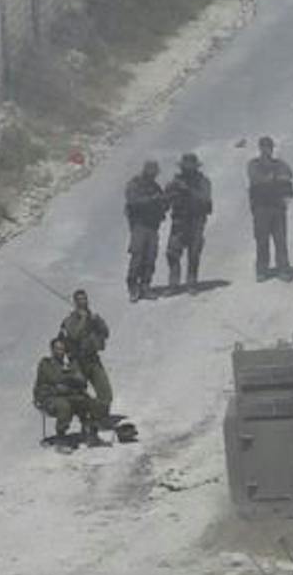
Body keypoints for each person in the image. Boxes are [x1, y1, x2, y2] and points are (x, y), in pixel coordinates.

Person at [33, 337, 103, 444]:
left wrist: (74, 377)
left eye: (62, 349)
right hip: (49, 396)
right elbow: (53, 379)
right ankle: (61, 434)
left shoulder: (70, 364)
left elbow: (82, 381)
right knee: (64, 406)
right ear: (52, 350)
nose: (60, 352)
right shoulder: (46, 364)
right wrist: (68, 378)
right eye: (57, 349)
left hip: (69, 395)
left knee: (90, 402)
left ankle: (89, 431)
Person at [246, 135, 293, 280]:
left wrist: (273, 179)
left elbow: (288, 175)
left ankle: (283, 268)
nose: (267, 150)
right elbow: (256, 179)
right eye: (264, 147)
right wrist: (275, 179)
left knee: (280, 239)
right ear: (260, 148)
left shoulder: (279, 164)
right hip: (261, 207)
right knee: (262, 240)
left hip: (277, 206)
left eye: (269, 147)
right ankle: (262, 269)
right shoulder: (254, 164)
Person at [58, 288, 112, 422]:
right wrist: (82, 319)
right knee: (80, 395)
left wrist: (97, 321)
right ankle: (86, 421)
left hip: (93, 360)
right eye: (80, 300)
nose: (83, 302)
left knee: (105, 392)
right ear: (75, 302)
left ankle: (101, 417)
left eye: (85, 299)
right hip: (77, 362)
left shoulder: (92, 317)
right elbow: (74, 335)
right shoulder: (69, 320)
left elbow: (106, 333)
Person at [165, 152, 213, 290]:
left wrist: (188, 190)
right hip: (179, 220)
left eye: (190, 165)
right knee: (172, 252)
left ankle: (191, 282)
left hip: (196, 220)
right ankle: (174, 283)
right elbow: (167, 200)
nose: (187, 168)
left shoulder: (203, 181)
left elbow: (205, 198)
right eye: (185, 165)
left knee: (194, 252)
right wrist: (171, 190)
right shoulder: (176, 181)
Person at [123, 159, 168, 301]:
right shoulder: (134, 185)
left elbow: (163, 205)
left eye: (154, 174)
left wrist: (163, 202)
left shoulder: (155, 187)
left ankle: (145, 285)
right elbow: (133, 202)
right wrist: (151, 200)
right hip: (139, 226)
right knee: (137, 256)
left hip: (152, 226)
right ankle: (133, 286)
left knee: (150, 257)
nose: (153, 176)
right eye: (151, 173)